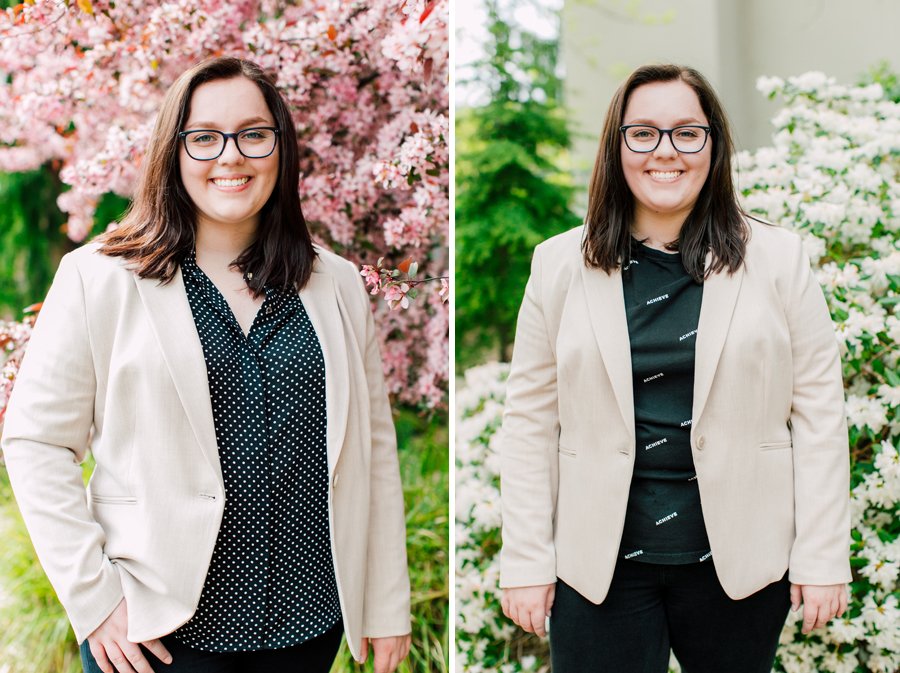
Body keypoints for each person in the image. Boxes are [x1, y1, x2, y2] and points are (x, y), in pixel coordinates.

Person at [1, 56, 411, 673]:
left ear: (281, 146)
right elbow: (36, 441)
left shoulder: (339, 284)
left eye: (253, 133)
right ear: (175, 150)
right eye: (204, 137)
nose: (231, 155)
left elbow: (373, 451)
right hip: (155, 635)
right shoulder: (100, 278)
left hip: (307, 626)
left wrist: (385, 604)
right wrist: (96, 600)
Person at [498, 64, 850, 673]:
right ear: (617, 147)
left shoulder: (780, 260)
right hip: (597, 569)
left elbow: (819, 414)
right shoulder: (556, 265)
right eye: (644, 133)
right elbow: (529, 422)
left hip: (738, 567)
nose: (667, 152)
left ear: (714, 146)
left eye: (688, 133)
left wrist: (822, 557)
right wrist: (526, 561)